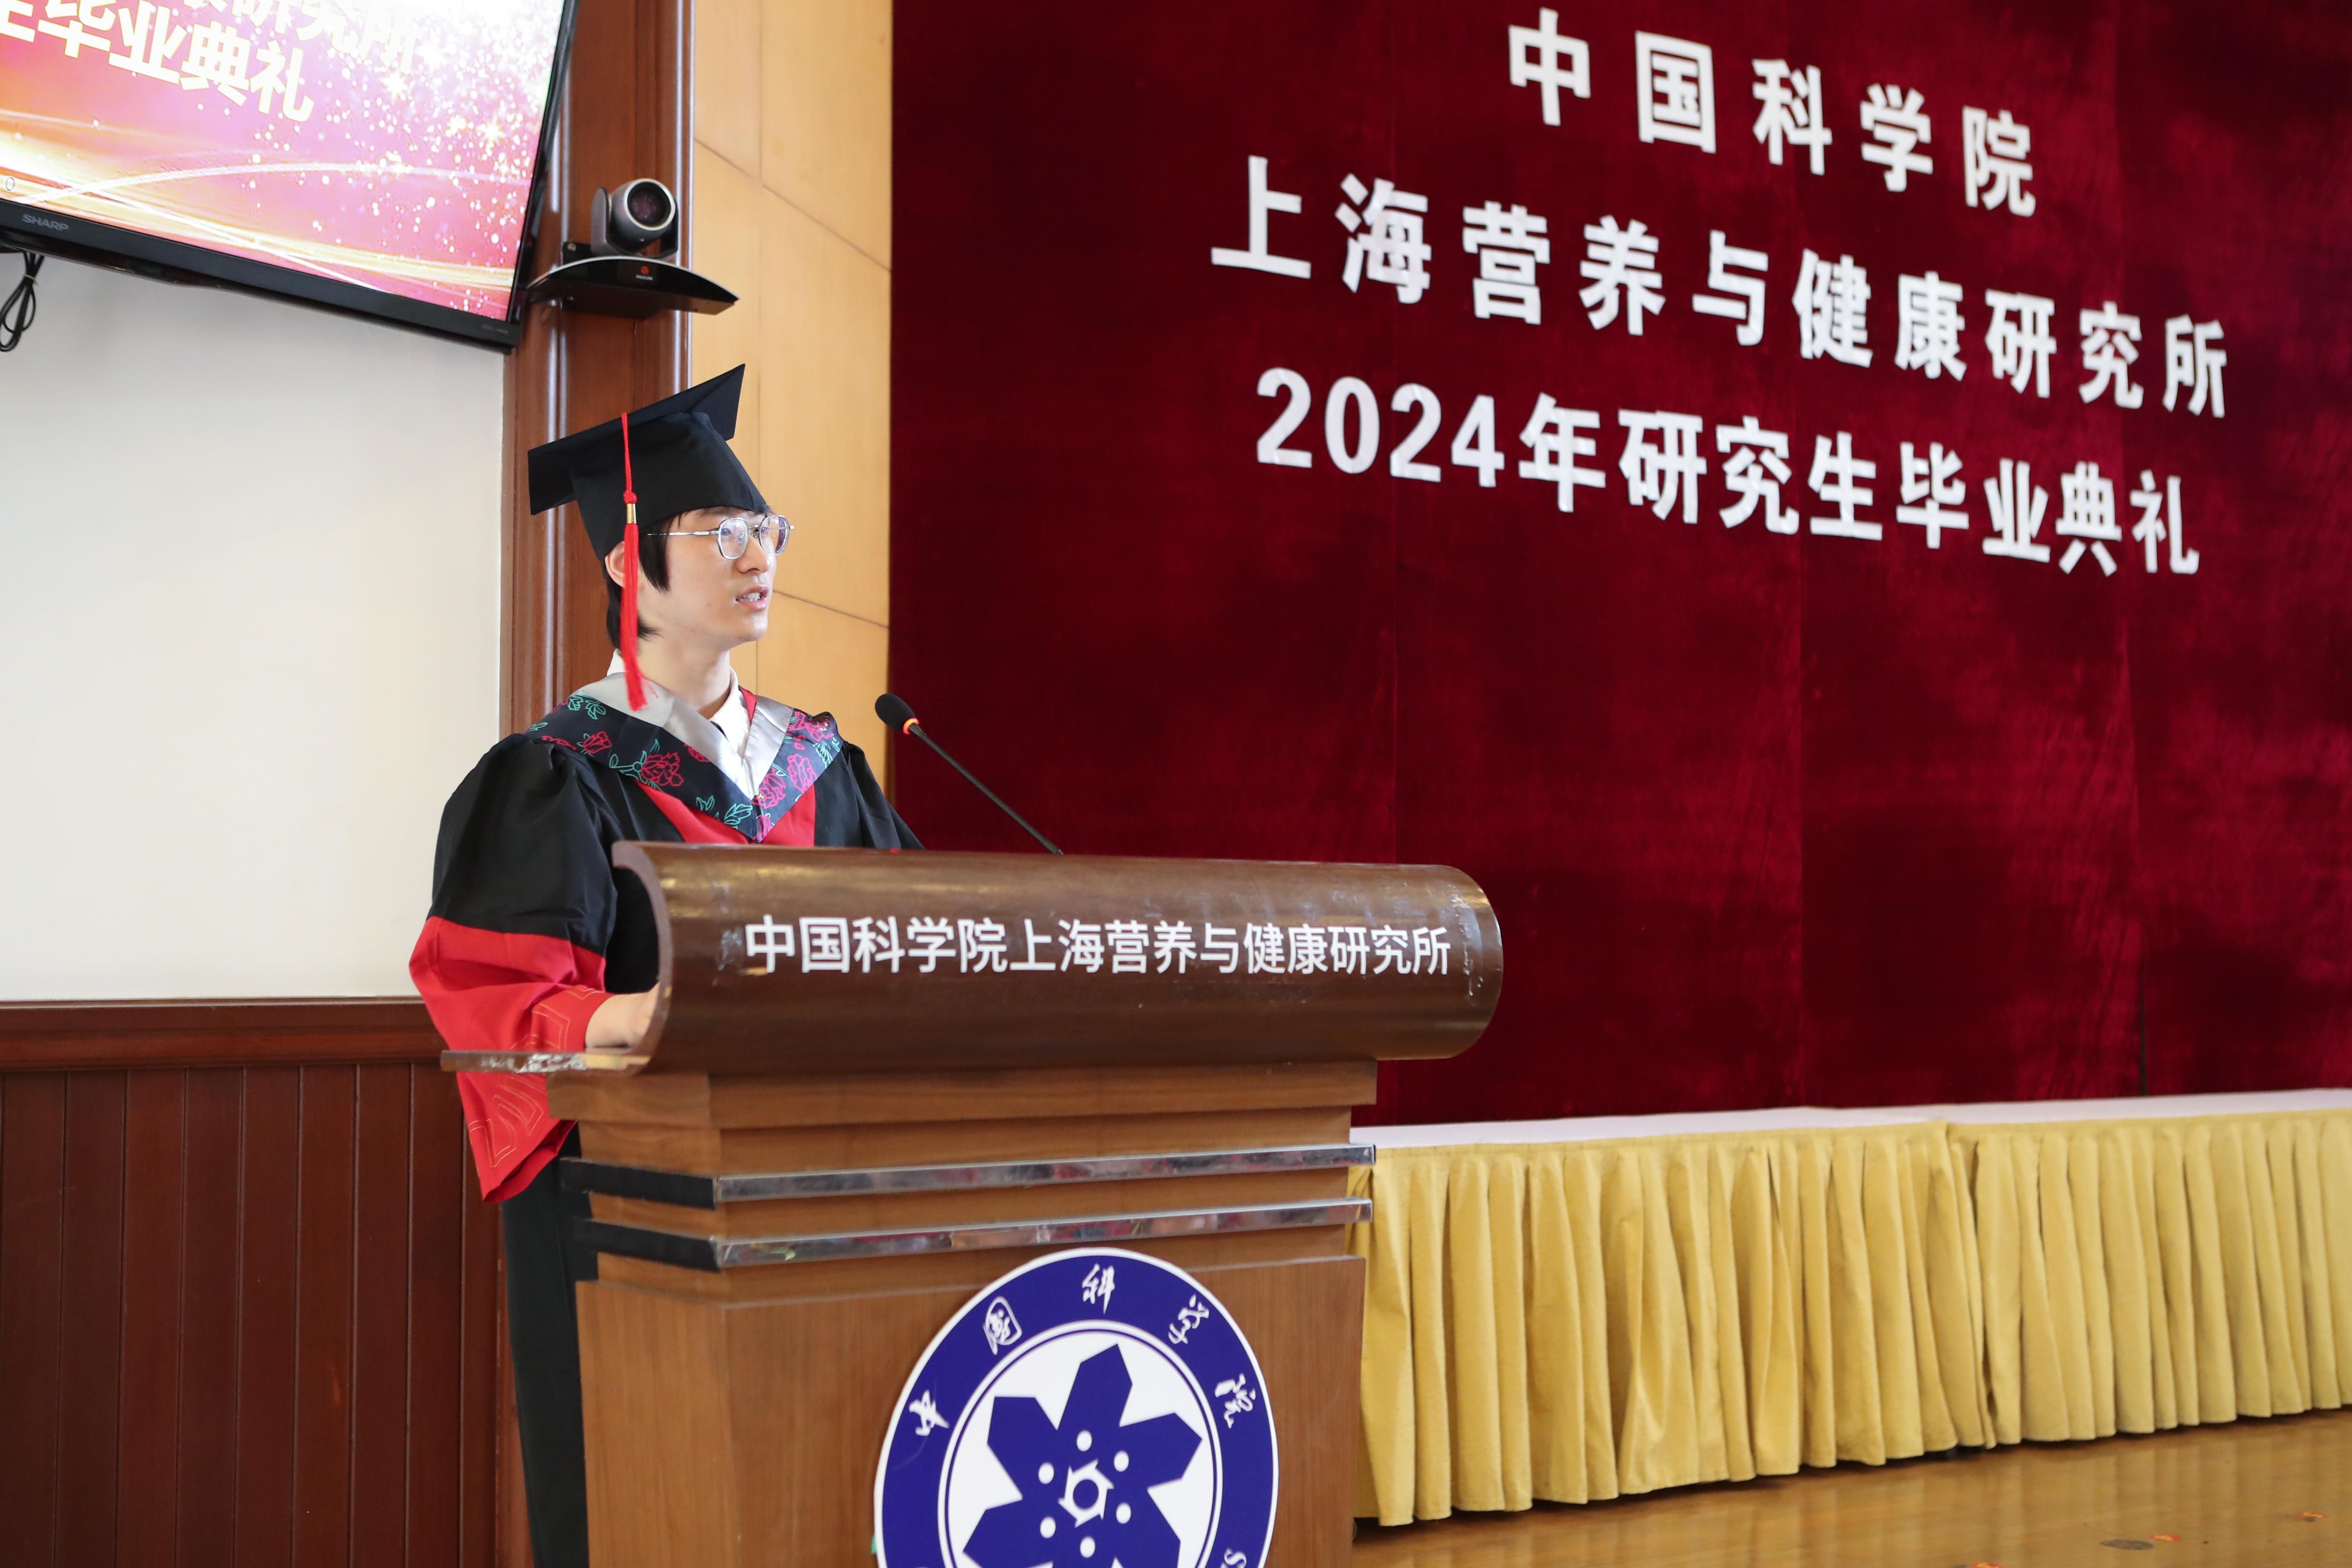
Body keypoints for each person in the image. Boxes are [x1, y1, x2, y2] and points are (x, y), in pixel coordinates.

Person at [410, 365, 917, 1568]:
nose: (759, 557)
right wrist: (656, 1015)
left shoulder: (824, 766)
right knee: (655, 1495)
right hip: (633, 1209)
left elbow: (907, 949)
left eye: (767, 530)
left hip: (827, 1184)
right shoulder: (556, 774)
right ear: (625, 559)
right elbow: (504, 1002)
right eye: (721, 532)